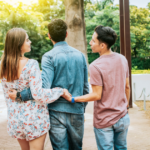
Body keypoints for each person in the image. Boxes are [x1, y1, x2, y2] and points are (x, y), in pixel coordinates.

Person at [8, 19, 89, 150]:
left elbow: (43, 87)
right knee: (76, 148)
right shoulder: (80, 56)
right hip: (76, 109)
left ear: (49, 35)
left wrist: (20, 95)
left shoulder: (48, 57)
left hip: (56, 112)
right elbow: (86, 86)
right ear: (66, 34)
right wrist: (81, 107)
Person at [0, 28, 71, 150]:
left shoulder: (3, 65)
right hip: (34, 119)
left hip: (15, 119)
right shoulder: (31, 64)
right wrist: (60, 91)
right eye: (27, 40)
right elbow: (39, 94)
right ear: (19, 44)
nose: (30, 42)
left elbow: (8, 96)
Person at [66, 25, 130, 150]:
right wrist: (125, 107)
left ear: (102, 45)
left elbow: (96, 95)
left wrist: (73, 99)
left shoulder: (96, 66)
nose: (90, 43)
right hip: (123, 117)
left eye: (93, 40)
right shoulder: (122, 59)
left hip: (104, 120)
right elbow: (127, 86)